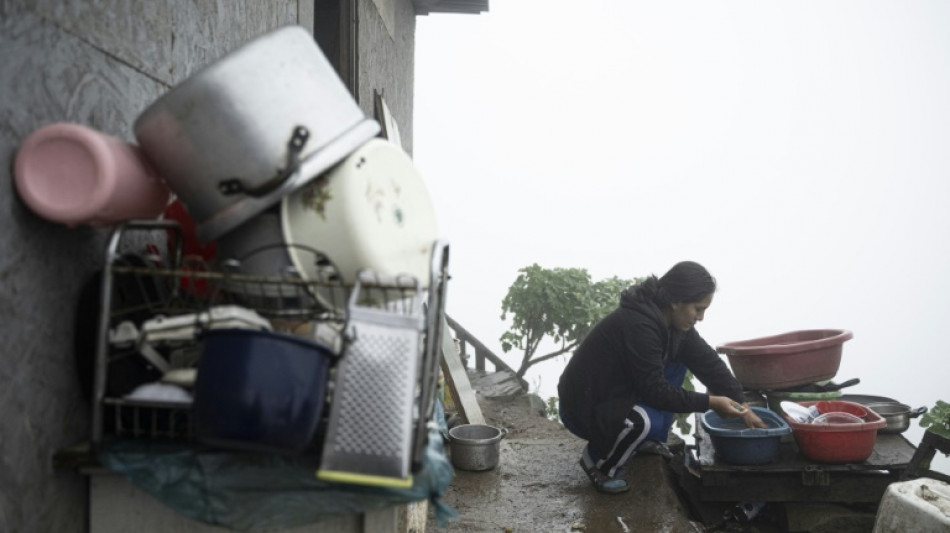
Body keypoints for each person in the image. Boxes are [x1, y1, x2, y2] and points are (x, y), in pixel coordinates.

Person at [557, 261, 766, 494]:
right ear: (676, 301)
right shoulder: (640, 325)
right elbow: (655, 391)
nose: (701, 317)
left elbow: (709, 363)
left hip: (616, 390)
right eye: (698, 309)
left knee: (678, 362)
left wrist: (742, 404)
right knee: (644, 422)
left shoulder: (673, 324)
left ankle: (646, 440)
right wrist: (710, 402)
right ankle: (598, 461)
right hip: (583, 407)